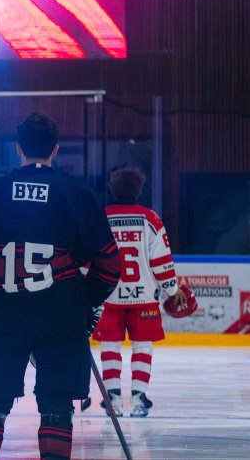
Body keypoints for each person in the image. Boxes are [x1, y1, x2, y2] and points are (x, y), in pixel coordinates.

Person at [0, 113, 120, 460]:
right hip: (62, 316)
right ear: (56, 149)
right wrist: (85, 303)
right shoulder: (78, 193)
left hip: (4, 314)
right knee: (57, 408)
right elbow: (111, 264)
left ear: (18, 148)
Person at [91, 167, 187, 418]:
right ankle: (138, 396)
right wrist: (172, 289)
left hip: (109, 297)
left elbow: (90, 258)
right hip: (144, 297)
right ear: (138, 190)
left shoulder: (101, 218)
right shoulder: (150, 218)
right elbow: (161, 260)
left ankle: (112, 397)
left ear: (112, 189)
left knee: (110, 347)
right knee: (142, 347)